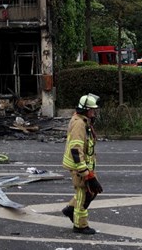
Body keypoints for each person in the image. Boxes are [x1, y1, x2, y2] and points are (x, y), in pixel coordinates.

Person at [61, 93, 101, 235]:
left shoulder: (83, 121)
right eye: (92, 110)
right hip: (79, 167)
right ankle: (80, 225)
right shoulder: (79, 124)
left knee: (91, 191)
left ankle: (70, 210)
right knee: (84, 194)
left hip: (84, 165)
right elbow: (76, 150)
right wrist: (85, 173)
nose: (94, 112)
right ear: (85, 110)